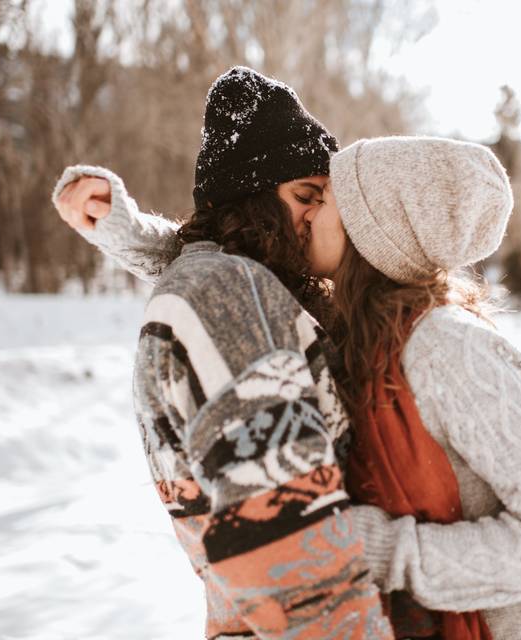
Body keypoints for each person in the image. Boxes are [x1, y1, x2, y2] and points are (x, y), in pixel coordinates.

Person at [56, 83, 521, 639]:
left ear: (373, 228)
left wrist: (382, 548)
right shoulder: (356, 335)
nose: (313, 215)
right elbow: (227, 277)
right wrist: (130, 233)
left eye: (326, 199)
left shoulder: (447, 346)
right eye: (307, 195)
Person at [55, 66, 393, 639]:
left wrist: (129, 232)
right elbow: (293, 561)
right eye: (306, 196)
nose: (321, 216)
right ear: (252, 201)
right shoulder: (229, 298)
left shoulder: (232, 287)